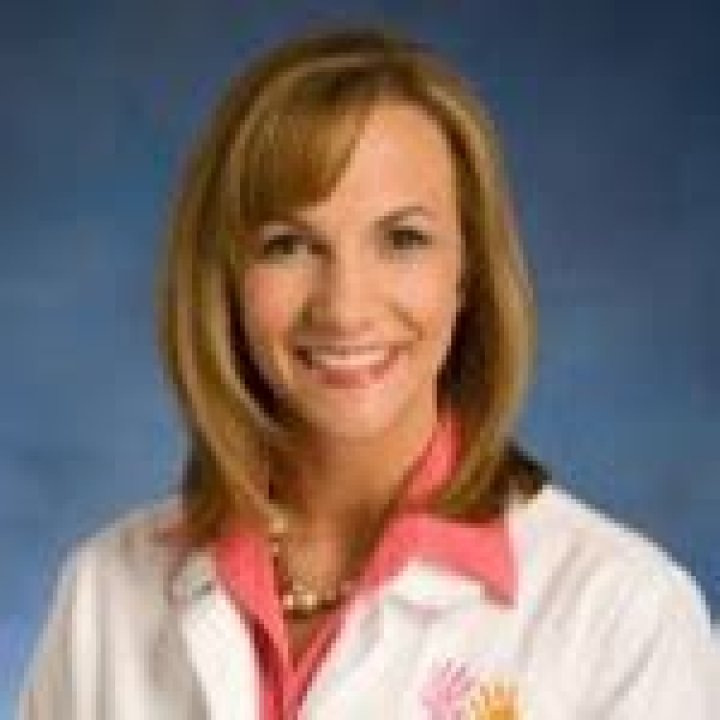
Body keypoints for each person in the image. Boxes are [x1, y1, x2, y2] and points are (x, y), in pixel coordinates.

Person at [18, 27, 715, 719]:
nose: (345, 308)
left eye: (403, 239)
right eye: (288, 245)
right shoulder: (104, 595)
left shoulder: (624, 620)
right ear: (223, 280)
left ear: (467, 274)